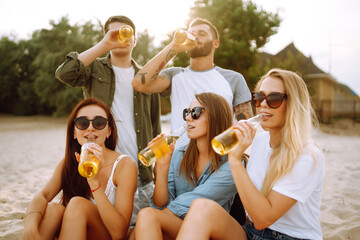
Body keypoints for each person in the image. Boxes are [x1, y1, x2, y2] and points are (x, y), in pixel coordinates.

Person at [176, 69, 325, 240]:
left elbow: (263, 218)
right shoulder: (261, 141)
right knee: (202, 207)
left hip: (291, 236)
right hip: (254, 232)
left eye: (274, 99)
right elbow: (252, 213)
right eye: (259, 97)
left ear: (293, 104)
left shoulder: (306, 154)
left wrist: (234, 160)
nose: (263, 105)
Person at [55, 15, 161, 224]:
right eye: (113, 32)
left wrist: (156, 168)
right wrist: (105, 45)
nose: (120, 36)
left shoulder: (146, 77)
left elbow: (155, 124)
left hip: (141, 173)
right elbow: (64, 73)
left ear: (135, 40)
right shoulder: (94, 69)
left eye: (126, 32)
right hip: (99, 169)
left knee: (133, 229)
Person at [22, 98, 137, 240]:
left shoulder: (124, 165)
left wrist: (94, 182)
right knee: (53, 209)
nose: (90, 128)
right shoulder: (69, 163)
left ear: (109, 131)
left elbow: (118, 233)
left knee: (78, 204)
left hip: (108, 235)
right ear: (74, 133)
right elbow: (43, 196)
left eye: (99, 122)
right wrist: (30, 228)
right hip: (76, 232)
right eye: (82, 123)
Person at [132, 17, 253, 148]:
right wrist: (174, 47)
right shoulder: (174, 75)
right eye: (192, 33)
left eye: (202, 33)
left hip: (219, 162)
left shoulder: (233, 78)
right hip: (179, 162)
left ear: (215, 43)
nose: (195, 37)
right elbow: (139, 84)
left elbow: (247, 127)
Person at [130, 92, 238, 239]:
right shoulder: (178, 155)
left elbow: (195, 201)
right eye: (187, 112)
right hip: (179, 227)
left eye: (196, 113)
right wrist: (162, 168)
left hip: (212, 231)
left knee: (146, 217)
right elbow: (159, 205)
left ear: (215, 117)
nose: (188, 118)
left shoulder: (232, 162)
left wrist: (142, 225)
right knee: (147, 216)